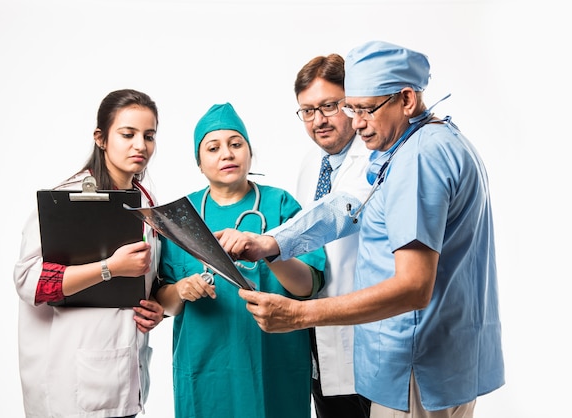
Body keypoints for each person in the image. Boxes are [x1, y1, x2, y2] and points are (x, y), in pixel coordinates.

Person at [217, 40, 505, 417]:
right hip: (430, 359)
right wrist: (273, 242)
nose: (356, 122)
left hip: (414, 362)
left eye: (365, 109)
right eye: (352, 108)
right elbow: (344, 207)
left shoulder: (417, 157)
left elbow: (413, 286)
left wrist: (298, 316)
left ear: (406, 99)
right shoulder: (431, 141)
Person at [154, 102, 326, 418]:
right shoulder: (181, 217)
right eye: (213, 147)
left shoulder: (280, 205)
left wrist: (267, 249)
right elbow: (163, 303)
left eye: (236, 144)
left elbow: (308, 287)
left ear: (249, 151)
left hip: (274, 365)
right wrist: (181, 290)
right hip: (206, 370)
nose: (227, 154)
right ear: (199, 161)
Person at [13, 89, 165, 418]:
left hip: (124, 375)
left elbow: (152, 278)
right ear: (101, 138)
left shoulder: (147, 204)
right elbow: (29, 281)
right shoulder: (65, 200)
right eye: (128, 134)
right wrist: (109, 268)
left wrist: (158, 309)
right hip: (72, 379)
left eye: (149, 136)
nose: (140, 145)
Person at [293, 53, 372, 418]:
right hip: (319, 334)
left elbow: (338, 213)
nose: (318, 120)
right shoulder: (311, 163)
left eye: (329, 105)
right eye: (307, 110)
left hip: (369, 335)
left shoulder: (375, 157)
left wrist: (271, 242)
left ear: (352, 104)